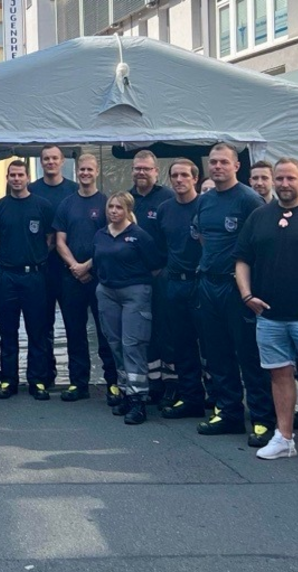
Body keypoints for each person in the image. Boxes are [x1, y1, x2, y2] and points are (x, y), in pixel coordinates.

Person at [193, 142, 275, 446]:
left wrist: (249, 289)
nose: (217, 167)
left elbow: (262, 247)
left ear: (236, 166)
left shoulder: (249, 200)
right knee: (217, 354)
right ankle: (228, 413)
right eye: (213, 162)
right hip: (209, 284)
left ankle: (263, 419)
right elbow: (203, 237)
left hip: (236, 287)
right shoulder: (206, 200)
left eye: (223, 162)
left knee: (249, 356)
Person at [234, 158, 298, 459]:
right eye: (281, 178)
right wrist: (247, 295)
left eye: (291, 179)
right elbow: (242, 259)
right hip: (270, 316)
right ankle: (284, 438)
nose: (285, 184)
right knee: (279, 376)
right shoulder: (259, 216)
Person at [93, 192, 163, 424]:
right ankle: (125, 390)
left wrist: (136, 283)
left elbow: (155, 265)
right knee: (115, 344)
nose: (113, 211)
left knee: (132, 344)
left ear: (128, 210)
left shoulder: (139, 235)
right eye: (110, 207)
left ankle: (138, 400)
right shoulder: (101, 235)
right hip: (107, 292)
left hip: (134, 292)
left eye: (119, 208)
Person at [53, 154, 118, 402]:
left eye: (89, 169)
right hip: (72, 278)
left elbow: (111, 239)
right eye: (82, 169)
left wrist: (88, 266)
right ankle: (78, 383)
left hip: (99, 278)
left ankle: (113, 382)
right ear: (76, 171)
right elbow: (59, 240)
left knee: (106, 333)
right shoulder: (67, 204)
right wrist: (75, 266)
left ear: (96, 171)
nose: (85, 173)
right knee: (75, 332)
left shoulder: (106, 203)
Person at [0, 160, 54, 399]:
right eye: (12, 175)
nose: (16, 179)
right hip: (8, 275)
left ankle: (37, 380)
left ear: (28, 178)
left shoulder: (43, 206)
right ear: (7, 178)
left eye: (20, 175)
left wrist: (33, 258)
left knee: (36, 330)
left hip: (35, 276)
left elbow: (49, 239)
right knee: (8, 330)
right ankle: (8, 380)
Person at [153, 159, 207, 419]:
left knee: (211, 344)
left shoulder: (205, 205)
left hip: (201, 283)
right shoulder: (165, 209)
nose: (179, 179)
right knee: (182, 345)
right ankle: (191, 398)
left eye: (184, 175)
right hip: (174, 284)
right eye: (174, 175)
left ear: (195, 178)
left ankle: (219, 398)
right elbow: (162, 247)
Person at [129, 150, 177, 405]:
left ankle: (171, 384)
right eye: (138, 168)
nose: (141, 172)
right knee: (141, 333)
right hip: (135, 279)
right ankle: (151, 383)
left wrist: (163, 268)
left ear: (156, 172)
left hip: (161, 276)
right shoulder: (128, 200)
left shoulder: (167, 199)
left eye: (146, 168)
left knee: (165, 331)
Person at [29, 145, 79, 388]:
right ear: (41, 162)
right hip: (40, 270)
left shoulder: (74, 190)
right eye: (46, 158)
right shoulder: (31, 190)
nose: (50, 162)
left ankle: (77, 378)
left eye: (54, 158)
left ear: (62, 161)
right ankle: (44, 375)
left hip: (68, 271)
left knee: (73, 324)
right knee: (41, 324)